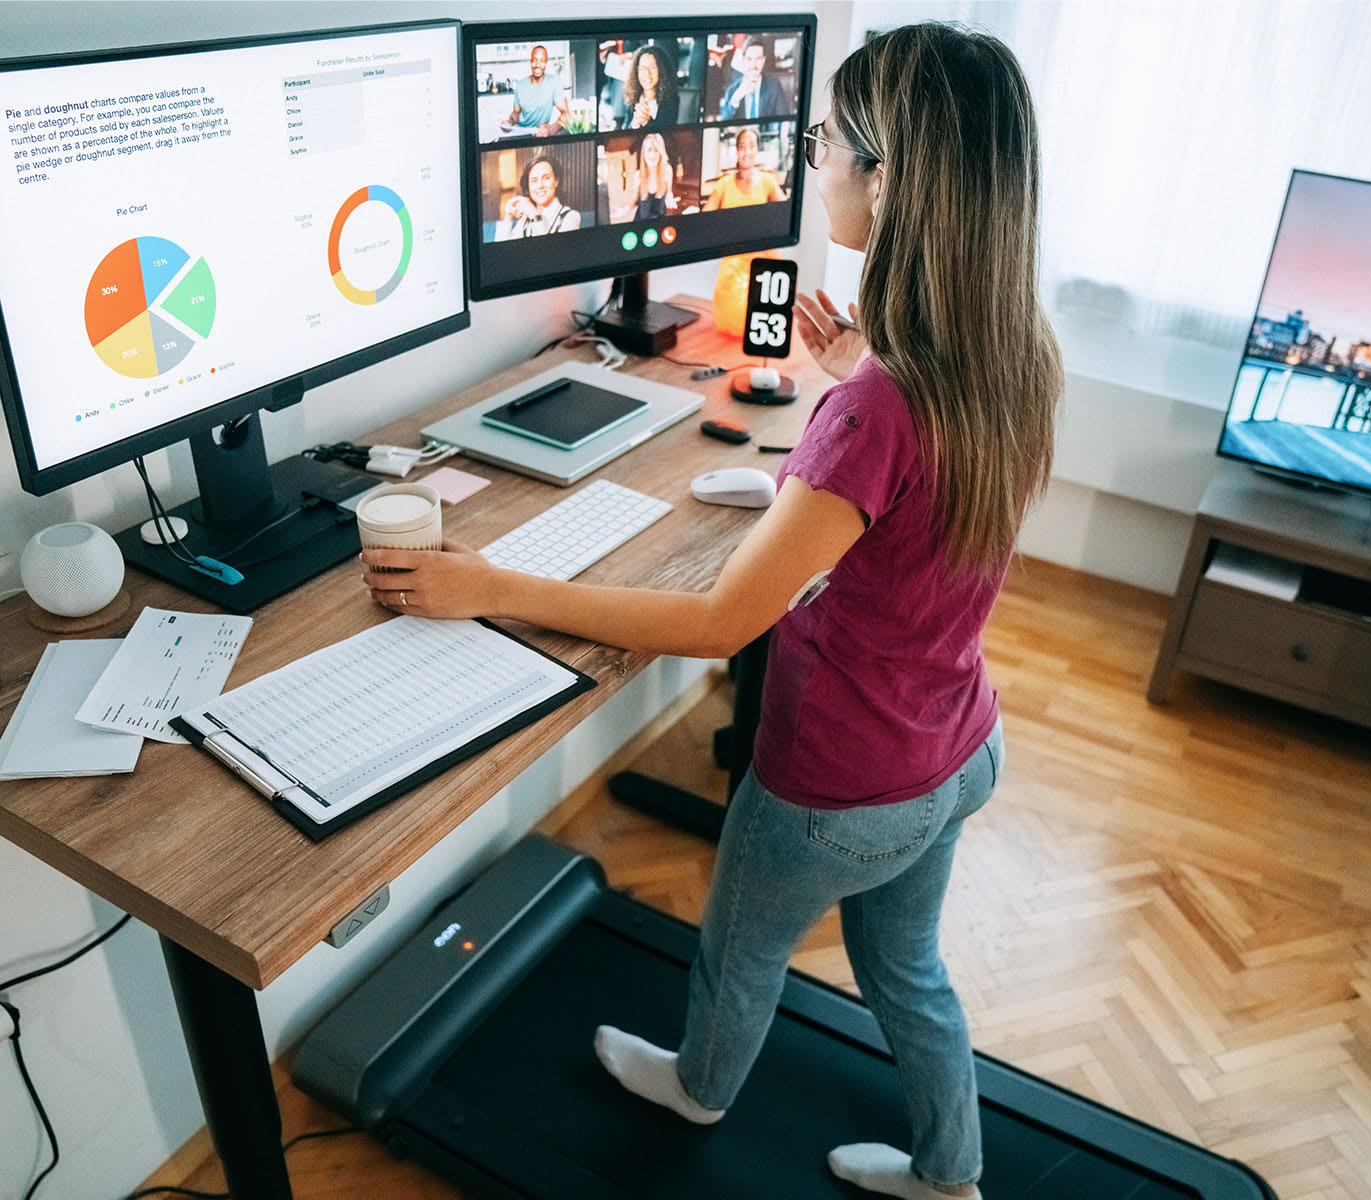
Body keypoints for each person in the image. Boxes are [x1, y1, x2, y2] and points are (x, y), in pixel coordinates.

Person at [362, 22, 1062, 1200]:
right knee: (911, 977)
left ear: (888, 182)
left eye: (828, 138)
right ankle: (953, 1173)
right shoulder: (1011, 357)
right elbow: (912, 504)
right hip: (956, 746)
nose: (813, 156)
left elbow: (721, 623)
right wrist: (854, 385)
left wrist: (487, 586)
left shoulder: (874, 413)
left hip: (834, 784)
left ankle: (699, 1089)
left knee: (740, 958)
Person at [494, 157, 581, 239]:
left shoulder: (571, 216)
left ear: (556, 182)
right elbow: (500, 251)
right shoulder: (525, 220)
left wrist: (534, 214)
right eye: (534, 180)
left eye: (546, 178)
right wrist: (508, 215)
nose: (540, 186)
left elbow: (550, 250)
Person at [703, 126, 782, 209]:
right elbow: (704, 217)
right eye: (742, 147)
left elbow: (785, 211)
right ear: (737, 150)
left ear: (757, 149)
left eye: (751, 146)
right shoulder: (723, 184)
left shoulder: (767, 181)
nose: (747, 152)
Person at [501, 45, 569, 137]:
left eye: (542, 61)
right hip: (522, 134)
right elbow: (516, 112)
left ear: (546, 62)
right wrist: (509, 122)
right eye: (535, 60)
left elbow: (566, 114)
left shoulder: (554, 82)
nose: (538, 65)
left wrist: (552, 128)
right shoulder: (520, 85)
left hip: (542, 135)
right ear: (530, 61)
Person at [718, 40, 787, 120]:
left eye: (758, 59)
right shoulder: (732, 90)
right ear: (743, 60)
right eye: (749, 59)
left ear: (763, 60)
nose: (753, 65)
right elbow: (723, 124)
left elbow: (784, 120)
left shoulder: (774, 85)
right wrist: (736, 98)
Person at [624, 44, 679, 129]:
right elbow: (623, 132)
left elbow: (669, 135)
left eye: (653, 68)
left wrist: (647, 121)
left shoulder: (672, 100)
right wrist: (635, 123)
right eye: (642, 69)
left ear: (661, 70)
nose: (647, 74)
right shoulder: (632, 98)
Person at [634, 132, 675, 220]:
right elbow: (633, 202)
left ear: (661, 153)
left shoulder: (667, 171)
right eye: (649, 150)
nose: (652, 155)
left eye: (656, 150)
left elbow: (669, 194)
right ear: (643, 153)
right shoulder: (638, 175)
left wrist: (670, 200)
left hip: (660, 223)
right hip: (641, 224)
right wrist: (624, 209)